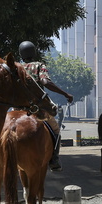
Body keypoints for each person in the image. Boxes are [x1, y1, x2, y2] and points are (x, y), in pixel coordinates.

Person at [18, 41, 74, 171]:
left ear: (21, 54)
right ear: (34, 53)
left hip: (19, 108)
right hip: (38, 109)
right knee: (56, 131)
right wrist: (65, 93)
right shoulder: (39, 66)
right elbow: (45, 81)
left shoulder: (18, 68)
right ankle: (54, 159)